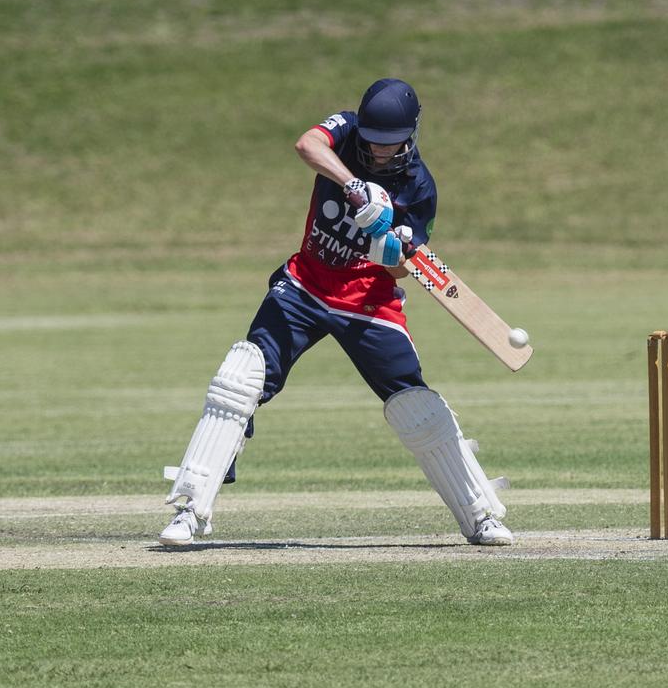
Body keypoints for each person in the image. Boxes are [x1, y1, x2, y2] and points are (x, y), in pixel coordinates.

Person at [158, 78, 513, 546]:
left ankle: (481, 514)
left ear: (412, 135)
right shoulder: (345, 131)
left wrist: (391, 244)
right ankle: (189, 510)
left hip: (367, 300)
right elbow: (306, 144)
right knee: (238, 380)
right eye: (372, 142)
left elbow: (404, 269)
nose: (380, 152)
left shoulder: (418, 187)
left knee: (416, 406)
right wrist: (356, 186)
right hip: (303, 286)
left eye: (391, 145)